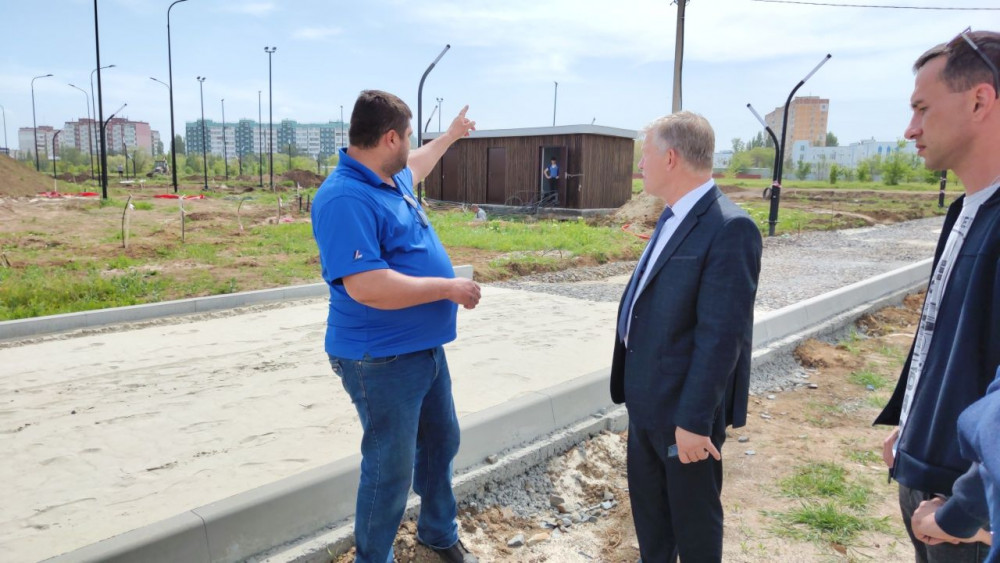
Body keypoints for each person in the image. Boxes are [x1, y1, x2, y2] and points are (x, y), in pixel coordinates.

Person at [311, 90, 480, 563]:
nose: (411, 145)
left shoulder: (390, 176)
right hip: (380, 358)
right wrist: (448, 288)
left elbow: (419, 162)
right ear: (389, 138)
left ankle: (438, 533)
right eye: (407, 136)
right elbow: (367, 286)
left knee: (441, 442)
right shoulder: (345, 197)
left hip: (422, 349)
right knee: (390, 469)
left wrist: (450, 136)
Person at [609, 111, 762, 562]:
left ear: (671, 158)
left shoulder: (729, 227)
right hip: (647, 402)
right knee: (653, 526)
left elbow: (722, 337)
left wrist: (694, 422)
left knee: (694, 530)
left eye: (645, 155)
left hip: (684, 416)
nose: (641, 165)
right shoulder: (673, 216)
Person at [873, 29, 1000, 562]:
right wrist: (915, 424)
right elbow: (948, 340)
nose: (910, 129)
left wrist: (966, 513)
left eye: (922, 109)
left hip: (967, 507)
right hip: (932, 477)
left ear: (979, 101)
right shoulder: (966, 211)